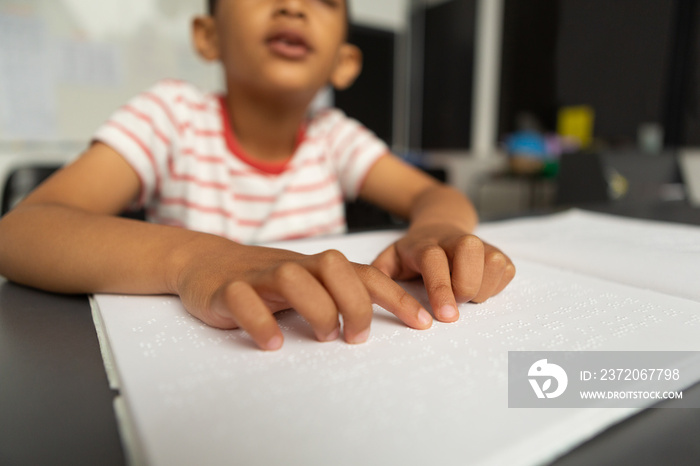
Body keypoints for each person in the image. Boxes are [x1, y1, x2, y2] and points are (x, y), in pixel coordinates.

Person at [0, 0, 515, 351]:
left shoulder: (333, 135)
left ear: (344, 62)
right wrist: (197, 259)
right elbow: (21, 230)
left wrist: (433, 230)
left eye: (324, 0)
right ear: (208, 35)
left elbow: (434, 193)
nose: (293, 5)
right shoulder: (169, 116)